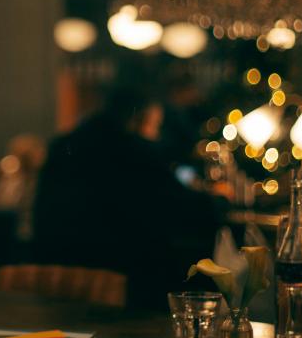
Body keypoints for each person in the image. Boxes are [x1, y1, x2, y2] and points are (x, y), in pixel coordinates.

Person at [33, 84, 227, 310]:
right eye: (155, 124)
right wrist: (218, 199)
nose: (155, 132)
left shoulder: (64, 144)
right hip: (120, 279)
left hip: (54, 272)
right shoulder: (135, 150)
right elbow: (187, 209)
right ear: (140, 118)